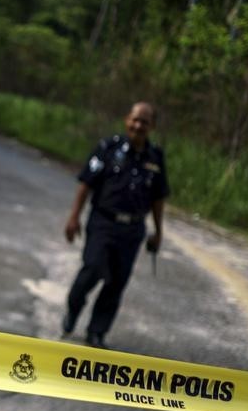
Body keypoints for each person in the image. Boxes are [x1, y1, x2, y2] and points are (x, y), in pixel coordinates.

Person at [62, 102, 169, 348]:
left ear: (152, 126)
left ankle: (97, 332)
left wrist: (158, 231)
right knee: (93, 267)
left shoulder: (155, 157)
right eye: (135, 119)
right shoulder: (107, 148)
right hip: (103, 222)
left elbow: (158, 197)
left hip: (132, 229)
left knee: (117, 281)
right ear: (126, 120)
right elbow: (86, 183)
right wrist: (74, 216)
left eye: (144, 121)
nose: (138, 125)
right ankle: (73, 306)